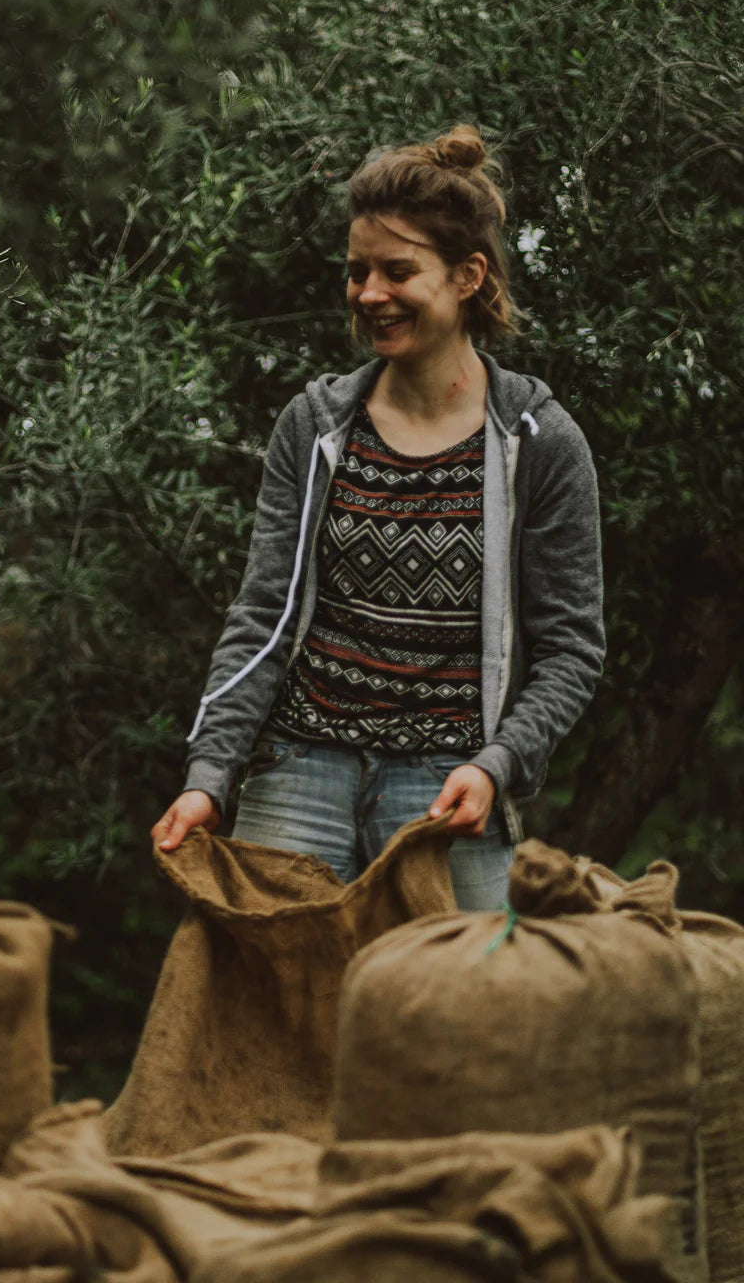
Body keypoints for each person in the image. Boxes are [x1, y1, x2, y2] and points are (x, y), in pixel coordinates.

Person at [151, 126, 604, 909]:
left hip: (445, 791)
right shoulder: (316, 425)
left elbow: (571, 650)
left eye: (398, 271)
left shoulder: (540, 441)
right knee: (272, 1023)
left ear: (468, 276)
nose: (369, 294)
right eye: (357, 272)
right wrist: (211, 777)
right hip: (299, 772)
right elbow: (263, 615)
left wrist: (495, 766)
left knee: (458, 1025)